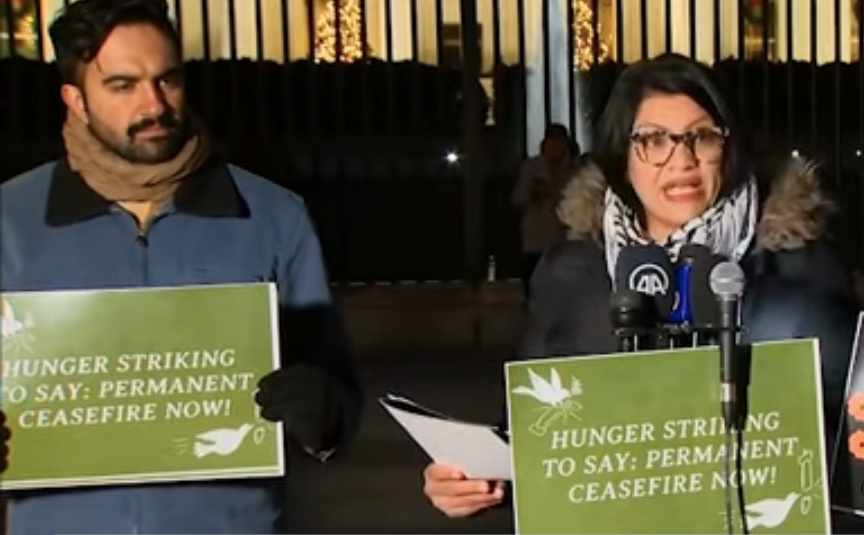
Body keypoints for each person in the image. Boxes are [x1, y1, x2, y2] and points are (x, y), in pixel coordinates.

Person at [423, 53, 861, 531]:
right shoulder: (571, 275)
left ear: (729, 147)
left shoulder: (797, 267)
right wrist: (479, 481)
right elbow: (534, 442)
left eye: (703, 136)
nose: (682, 159)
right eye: (654, 140)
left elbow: (847, 439)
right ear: (621, 157)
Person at [0, 0, 361, 533]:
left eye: (167, 80)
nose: (154, 104)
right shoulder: (11, 220)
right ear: (75, 100)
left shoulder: (271, 215)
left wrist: (323, 414)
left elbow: (338, 390)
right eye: (123, 85)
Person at [511, 124, 576, 297]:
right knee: (534, 291)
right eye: (551, 143)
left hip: (563, 243)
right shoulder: (531, 168)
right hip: (535, 242)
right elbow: (517, 199)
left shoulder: (574, 171)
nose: (554, 148)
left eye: (559, 143)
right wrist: (534, 193)